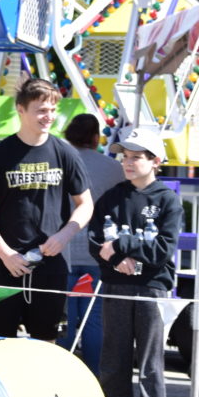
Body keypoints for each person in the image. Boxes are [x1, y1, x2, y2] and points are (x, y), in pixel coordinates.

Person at [85, 128, 184, 397]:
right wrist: (114, 258)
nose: (127, 163)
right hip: (115, 288)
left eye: (136, 157)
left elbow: (162, 250)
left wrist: (124, 247)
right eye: (124, 156)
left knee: (150, 368)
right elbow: (96, 242)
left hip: (152, 290)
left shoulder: (167, 199)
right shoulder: (112, 197)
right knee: (112, 365)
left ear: (155, 161)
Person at [0, 78, 92, 341]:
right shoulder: (0, 155)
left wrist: (64, 235)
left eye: (52, 109)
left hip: (51, 266)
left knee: (46, 342)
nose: (48, 116)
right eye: (41, 110)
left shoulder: (66, 153)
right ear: (21, 109)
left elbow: (85, 204)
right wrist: (5, 254)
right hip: (7, 266)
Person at [58, 111, 125, 368]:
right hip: (98, 252)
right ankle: (94, 375)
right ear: (97, 138)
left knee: (65, 318)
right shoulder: (114, 169)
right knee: (94, 319)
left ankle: (63, 374)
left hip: (63, 250)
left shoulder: (60, 163)